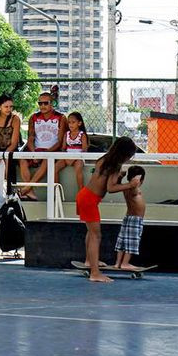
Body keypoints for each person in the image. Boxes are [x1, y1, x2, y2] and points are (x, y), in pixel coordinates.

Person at [75, 136, 141, 283]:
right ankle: (95, 273)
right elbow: (111, 188)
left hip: (84, 196)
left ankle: (89, 261)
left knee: (91, 232)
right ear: (124, 154)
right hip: (89, 200)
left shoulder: (104, 159)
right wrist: (130, 185)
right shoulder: (115, 165)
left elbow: (104, 181)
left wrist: (119, 177)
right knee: (96, 236)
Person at [19, 92, 66, 201]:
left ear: (52, 104)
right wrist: (34, 153)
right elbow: (31, 138)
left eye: (46, 103)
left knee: (46, 160)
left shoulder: (61, 118)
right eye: (40, 103)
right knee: (22, 161)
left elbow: (59, 142)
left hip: (53, 151)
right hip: (36, 150)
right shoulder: (33, 117)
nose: (42, 106)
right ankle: (30, 192)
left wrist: (45, 153)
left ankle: (26, 188)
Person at [114, 166, 147, 271]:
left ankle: (118, 263)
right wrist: (137, 178)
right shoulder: (133, 189)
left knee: (123, 241)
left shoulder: (125, 188)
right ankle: (125, 263)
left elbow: (118, 185)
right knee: (132, 241)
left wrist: (120, 177)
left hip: (128, 217)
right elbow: (134, 185)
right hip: (135, 220)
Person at [55, 111, 88, 191]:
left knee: (78, 168)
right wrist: (66, 157)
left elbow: (84, 150)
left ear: (79, 123)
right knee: (55, 168)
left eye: (73, 122)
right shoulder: (66, 134)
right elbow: (63, 148)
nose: (70, 124)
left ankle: (81, 191)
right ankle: (56, 191)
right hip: (67, 157)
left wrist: (75, 158)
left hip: (78, 158)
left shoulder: (82, 135)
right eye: (69, 122)